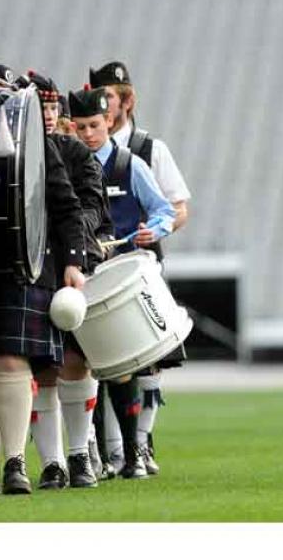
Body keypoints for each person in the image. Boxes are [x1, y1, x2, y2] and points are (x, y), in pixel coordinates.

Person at [0, 66, 87, 496]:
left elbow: (65, 206)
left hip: (21, 263)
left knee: (11, 360)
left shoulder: (34, 139)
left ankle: (15, 464)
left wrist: (73, 261)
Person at [68, 86, 176, 479]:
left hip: (122, 276)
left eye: (94, 126)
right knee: (88, 369)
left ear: (109, 121)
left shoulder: (129, 164)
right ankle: (99, 455)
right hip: (81, 276)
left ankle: (133, 453)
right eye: (79, 127)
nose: (87, 134)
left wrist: (155, 230)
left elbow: (164, 210)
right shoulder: (64, 163)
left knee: (126, 365)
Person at [89, 61, 191, 475]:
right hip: (95, 267)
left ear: (126, 101)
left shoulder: (150, 149)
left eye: (108, 96)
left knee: (146, 359)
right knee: (101, 364)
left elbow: (178, 208)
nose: (102, 103)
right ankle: (111, 450)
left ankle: (141, 444)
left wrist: (158, 228)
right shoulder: (80, 149)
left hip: (140, 266)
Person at [26, 70, 109, 489]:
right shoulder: (17, 152)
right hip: (29, 270)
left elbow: (91, 208)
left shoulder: (75, 153)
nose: (46, 112)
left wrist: (73, 247)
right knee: (42, 367)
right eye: (38, 105)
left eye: (51, 106)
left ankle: (79, 456)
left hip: (70, 267)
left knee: (77, 362)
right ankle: (52, 463)